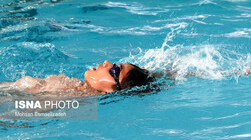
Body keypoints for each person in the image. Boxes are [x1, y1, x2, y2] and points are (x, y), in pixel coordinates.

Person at [0, 61, 152, 96]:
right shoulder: (73, 87)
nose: (107, 62)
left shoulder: (63, 99)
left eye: (114, 70)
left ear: (110, 90)